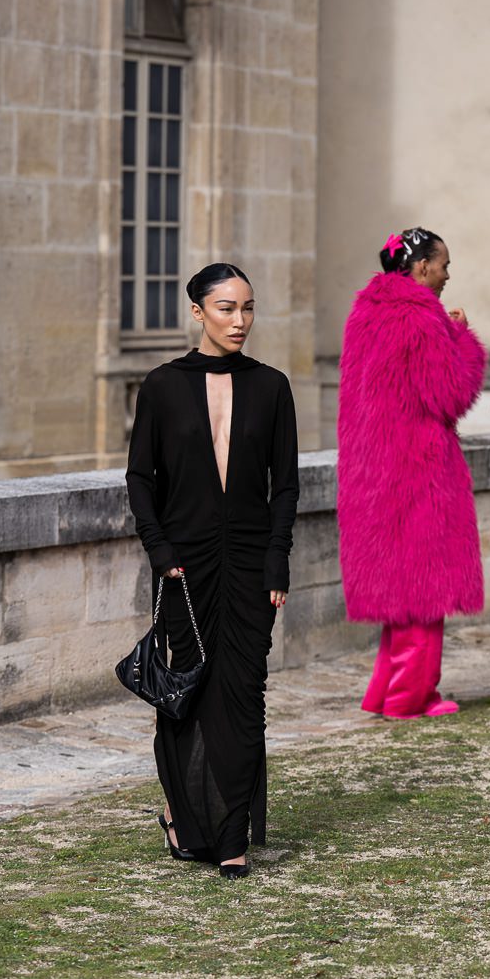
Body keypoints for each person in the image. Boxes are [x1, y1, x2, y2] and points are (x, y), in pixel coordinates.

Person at [126, 263, 299, 879]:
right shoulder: (163, 385)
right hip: (183, 565)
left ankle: (232, 836)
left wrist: (278, 556)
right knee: (187, 695)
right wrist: (160, 550)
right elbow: (140, 479)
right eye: (227, 308)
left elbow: (286, 486)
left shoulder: (273, 386)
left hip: (253, 562)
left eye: (248, 308)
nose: (240, 321)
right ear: (197, 312)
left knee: (245, 694)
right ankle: (182, 812)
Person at [337, 227, 488, 719]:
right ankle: (409, 698)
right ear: (421, 267)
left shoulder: (367, 312)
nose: (447, 275)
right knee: (425, 591)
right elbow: (451, 395)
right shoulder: (420, 318)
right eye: (443, 265)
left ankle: (383, 693)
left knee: (401, 596)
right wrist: (461, 338)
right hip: (416, 470)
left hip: (374, 470)